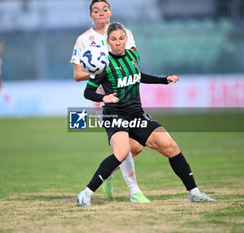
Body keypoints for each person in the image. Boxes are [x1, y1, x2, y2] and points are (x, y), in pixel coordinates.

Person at [77, 22, 216, 207]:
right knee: (121, 152)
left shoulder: (133, 55)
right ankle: (86, 193)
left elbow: (139, 75)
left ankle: (195, 193)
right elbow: (88, 92)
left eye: (121, 38)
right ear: (108, 42)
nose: (118, 42)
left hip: (137, 114)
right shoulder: (104, 64)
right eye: (113, 39)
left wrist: (163, 80)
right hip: (115, 115)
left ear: (126, 39)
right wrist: (105, 98)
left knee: (171, 146)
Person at [70, 0, 148, 202]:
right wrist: (99, 71)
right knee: (122, 147)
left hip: (128, 97)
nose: (101, 13)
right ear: (91, 16)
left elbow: (133, 61)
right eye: (96, 10)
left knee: (136, 147)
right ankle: (134, 191)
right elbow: (77, 74)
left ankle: (106, 173)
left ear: (110, 12)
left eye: (104, 9)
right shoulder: (83, 40)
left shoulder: (125, 33)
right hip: (105, 100)